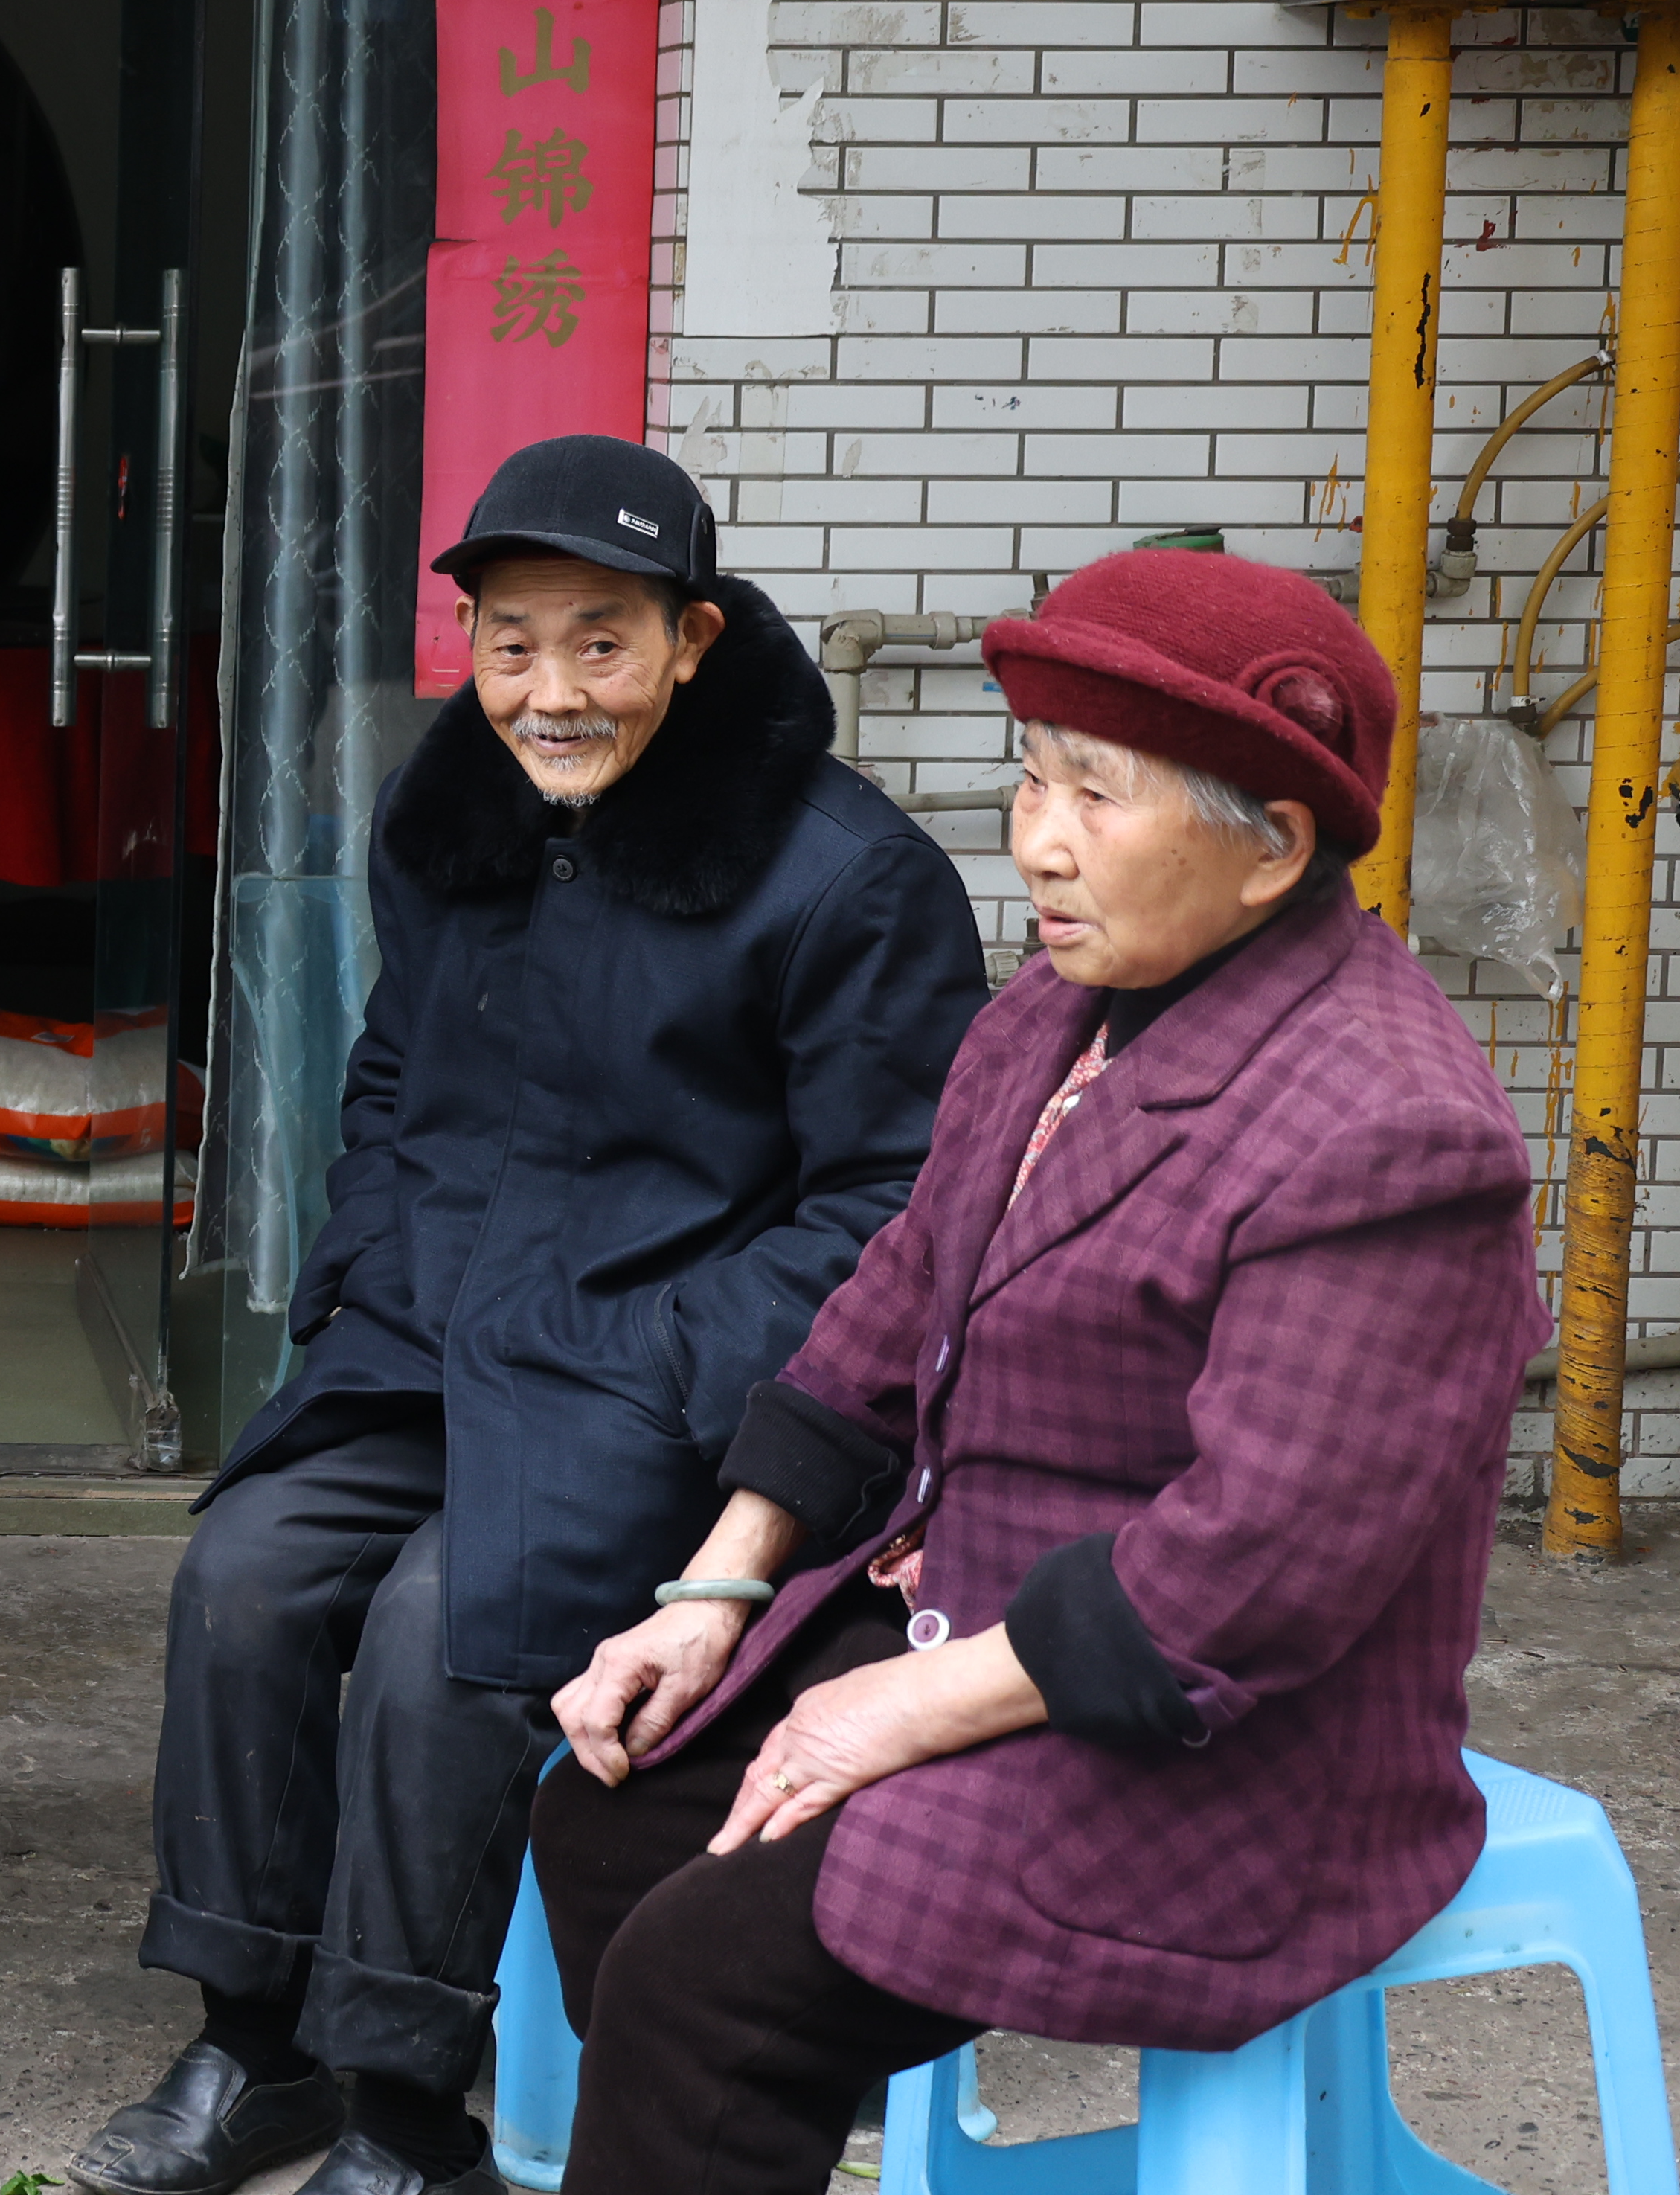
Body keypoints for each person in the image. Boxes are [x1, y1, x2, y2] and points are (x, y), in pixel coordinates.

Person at [526, 547, 1542, 2195]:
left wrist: (895, 1703)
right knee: (606, 1813)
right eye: (1032, 773)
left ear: (1274, 843)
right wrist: (712, 1590)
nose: (1037, 840)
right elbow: (897, 1291)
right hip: (980, 1606)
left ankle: (732, 2083)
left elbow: (1248, 1577)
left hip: (1226, 1736)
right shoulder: (1063, 1004)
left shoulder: (1389, 1128)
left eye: (1098, 794)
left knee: (706, 1981)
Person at [71, 436, 987, 2195]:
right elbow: (397, 1071)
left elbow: (894, 1210)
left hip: (659, 1386)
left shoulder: (845, 879)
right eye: (510, 643)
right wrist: (360, 1274)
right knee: (244, 1575)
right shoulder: (457, 810)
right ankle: (248, 2040)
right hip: (431, 1339)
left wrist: (653, 1355)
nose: (548, 690)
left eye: (600, 640)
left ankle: (406, 2116)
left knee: (446, 1636)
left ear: (695, 637)